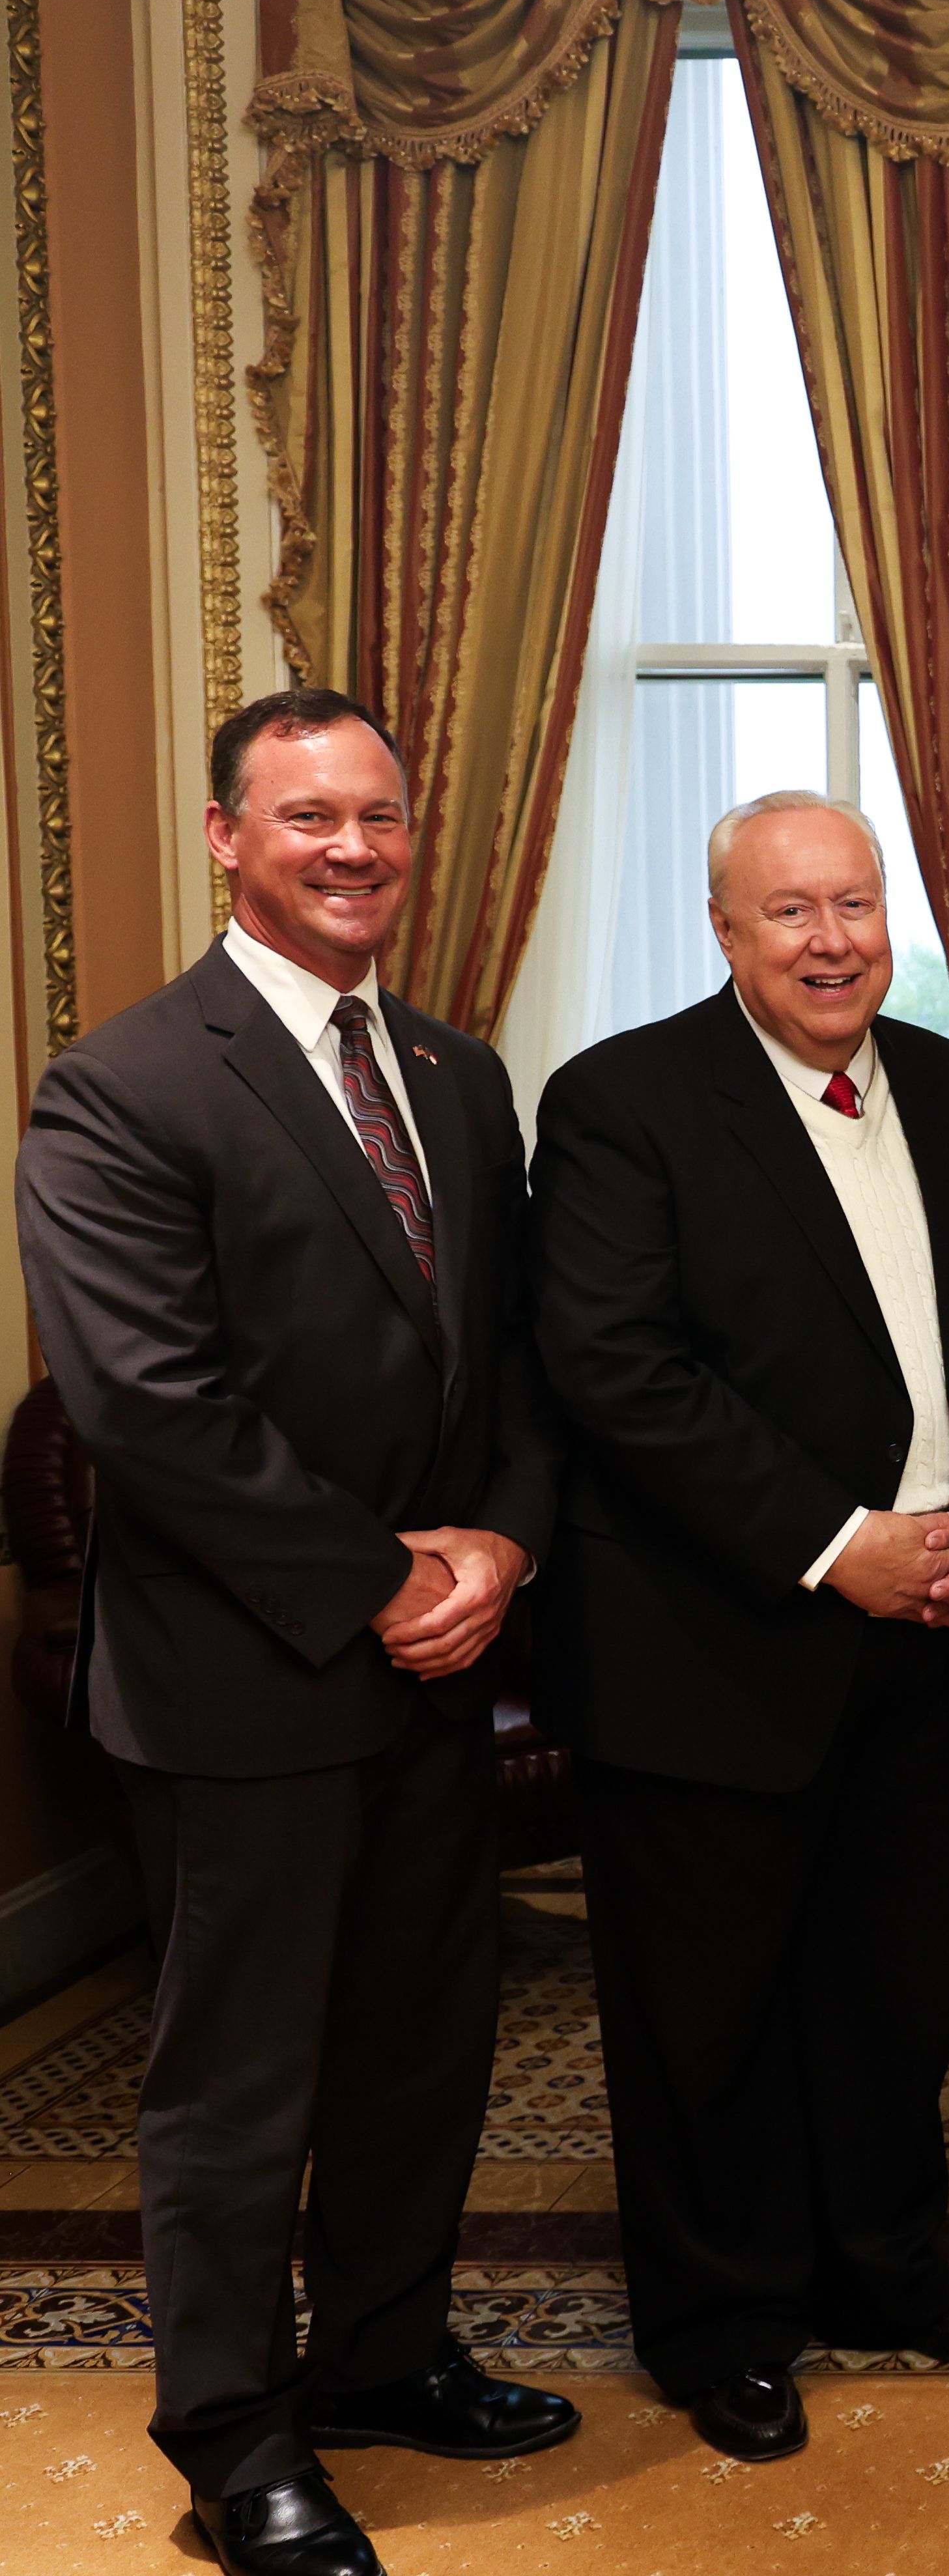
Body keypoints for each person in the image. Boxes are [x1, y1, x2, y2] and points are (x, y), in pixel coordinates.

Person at [14, 690, 572, 2576]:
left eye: (381, 814)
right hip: (243, 1682)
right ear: (226, 835)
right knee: (241, 2088)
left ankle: (386, 2359)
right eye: (309, 814)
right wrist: (381, 1583)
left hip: (441, 1671)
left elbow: (515, 1362)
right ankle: (237, 2438)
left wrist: (500, 1543)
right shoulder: (122, 1084)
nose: (353, 847)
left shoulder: (457, 1075)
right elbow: (148, 1403)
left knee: (419, 2046)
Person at [525, 793, 949, 2465]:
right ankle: (723, 2319)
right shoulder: (622, 1100)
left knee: (892, 1989)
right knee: (707, 2015)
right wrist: (837, 1546)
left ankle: (882, 2265)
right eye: (791, 911)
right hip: (713, 1643)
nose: (832, 941)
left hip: (937, 1630)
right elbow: (615, 1367)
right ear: (726, 930)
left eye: (855, 904)